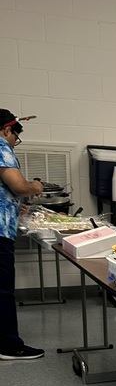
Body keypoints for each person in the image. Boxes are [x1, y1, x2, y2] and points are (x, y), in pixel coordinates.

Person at [0, 109, 45, 360]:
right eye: (15, 136)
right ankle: (9, 346)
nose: (15, 142)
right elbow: (18, 186)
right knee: (3, 291)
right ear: (7, 130)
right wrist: (34, 187)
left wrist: (16, 205)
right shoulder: (0, 146)